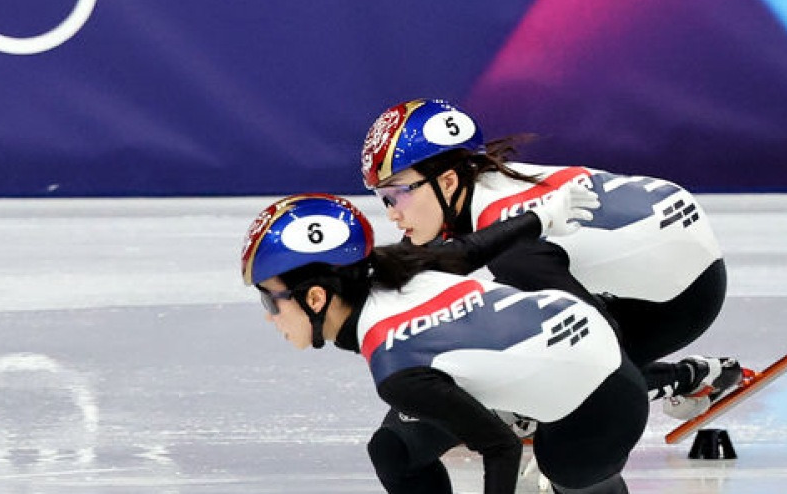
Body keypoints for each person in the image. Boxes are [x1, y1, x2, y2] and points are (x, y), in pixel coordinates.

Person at [358, 98, 741, 421]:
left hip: (678, 295)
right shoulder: (482, 190)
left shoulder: (509, 234)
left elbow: (599, 338)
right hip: (673, 245)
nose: (392, 214)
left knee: (546, 373)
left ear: (447, 182)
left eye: (396, 195)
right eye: (383, 200)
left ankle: (693, 377)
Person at [240, 192, 647, 494]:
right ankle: (519, 406)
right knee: (394, 450)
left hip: (603, 398)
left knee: (569, 473)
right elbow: (474, 247)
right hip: (561, 341)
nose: (267, 316)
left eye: (269, 300)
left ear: (315, 298)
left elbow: (501, 448)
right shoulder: (397, 266)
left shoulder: (397, 366)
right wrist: (541, 216)